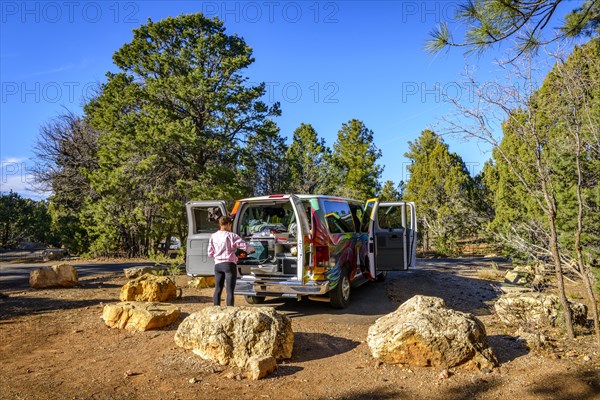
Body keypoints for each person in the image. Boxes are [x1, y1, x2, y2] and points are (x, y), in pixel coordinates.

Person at [207, 216, 255, 306]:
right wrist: (252, 249)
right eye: (230, 225)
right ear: (228, 224)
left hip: (217, 265)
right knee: (229, 291)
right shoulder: (232, 236)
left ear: (220, 224)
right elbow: (243, 245)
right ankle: (229, 311)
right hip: (229, 265)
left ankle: (215, 310)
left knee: (218, 289)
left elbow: (210, 253)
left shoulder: (213, 236)